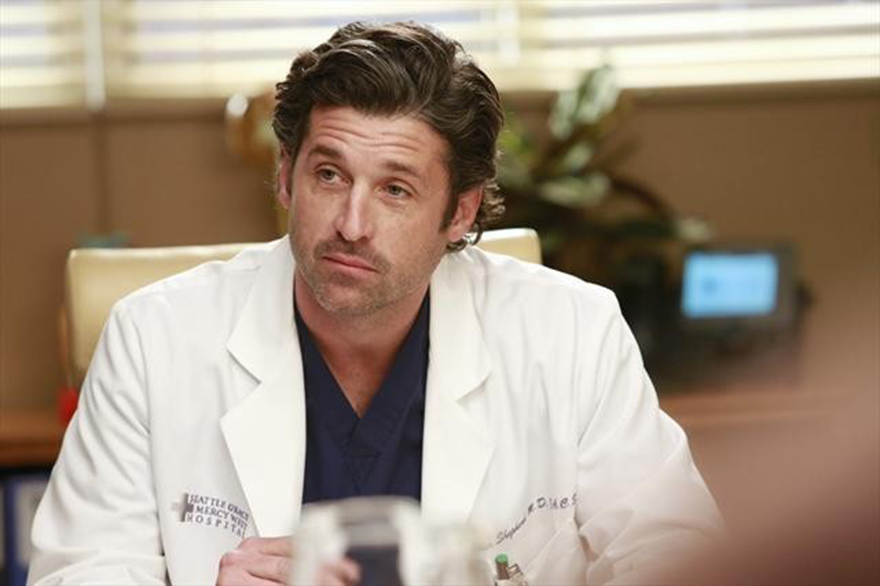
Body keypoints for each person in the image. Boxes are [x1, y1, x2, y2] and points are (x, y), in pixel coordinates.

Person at [28, 21, 721, 586]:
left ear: (460, 211)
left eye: (395, 189)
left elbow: (678, 555)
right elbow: (80, 571)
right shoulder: (153, 339)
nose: (351, 224)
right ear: (285, 176)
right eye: (329, 175)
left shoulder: (571, 333)